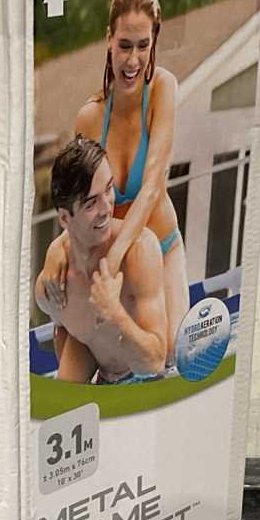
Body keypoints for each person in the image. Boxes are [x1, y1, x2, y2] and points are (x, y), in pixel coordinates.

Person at [41, 0, 189, 355]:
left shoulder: (163, 89)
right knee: (72, 341)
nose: (133, 60)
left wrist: (113, 259)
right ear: (109, 39)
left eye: (143, 45)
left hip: (157, 249)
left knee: (173, 352)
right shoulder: (90, 119)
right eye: (124, 45)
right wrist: (58, 249)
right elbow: (79, 203)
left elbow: (152, 187)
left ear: (154, 40)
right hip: (110, 259)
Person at [33, 137, 167, 384]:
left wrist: (116, 315)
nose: (106, 208)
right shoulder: (51, 289)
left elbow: (156, 362)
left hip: (149, 382)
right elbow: (62, 330)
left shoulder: (140, 252)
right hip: (103, 382)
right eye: (91, 203)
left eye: (108, 188)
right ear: (64, 218)